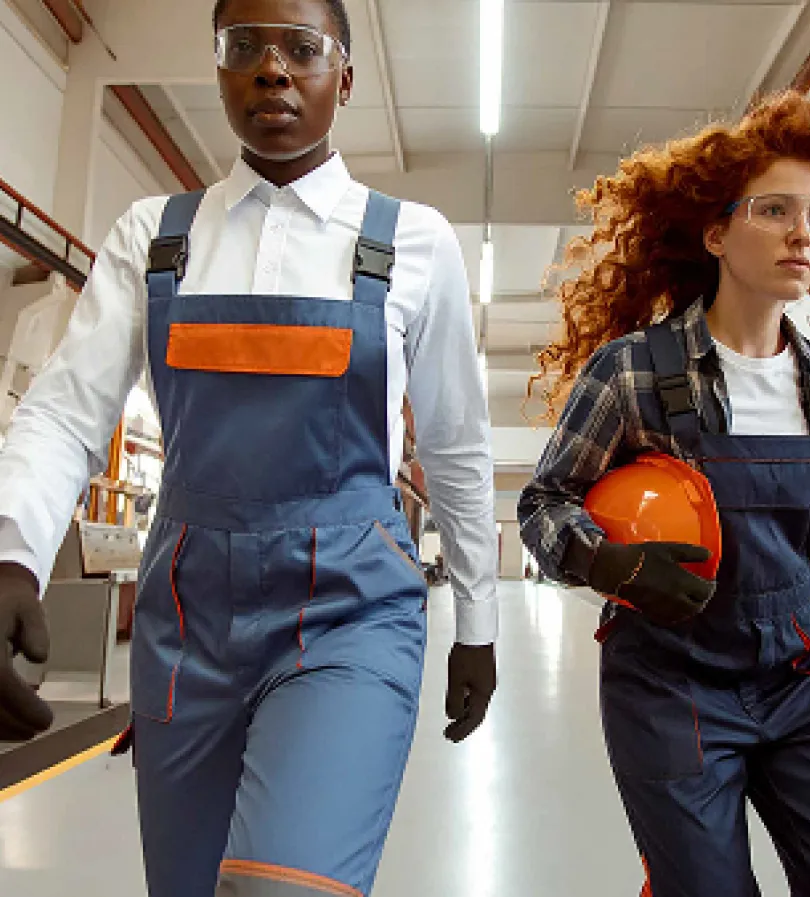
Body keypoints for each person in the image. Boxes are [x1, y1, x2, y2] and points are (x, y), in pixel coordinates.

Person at [0, 0, 499, 894]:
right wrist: (11, 556)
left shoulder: (412, 242)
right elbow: (66, 413)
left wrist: (479, 621)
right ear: (220, 69)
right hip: (186, 622)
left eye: (303, 48)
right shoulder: (155, 238)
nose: (273, 68)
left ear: (344, 77)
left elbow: (457, 446)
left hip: (350, 611)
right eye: (245, 47)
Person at [518, 84, 810, 896]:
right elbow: (543, 503)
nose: (802, 233)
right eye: (774, 210)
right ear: (716, 233)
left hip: (804, 672)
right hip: (668, 679)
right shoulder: (633, 371)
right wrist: (605, 563)